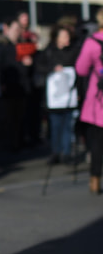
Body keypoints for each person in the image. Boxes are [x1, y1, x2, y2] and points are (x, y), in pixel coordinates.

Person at [35, 23, 80, 164]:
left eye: (68, 36)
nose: (67, 39)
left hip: (69, 95)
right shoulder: (49, 51)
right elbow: (39, 66)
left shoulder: (73, 51)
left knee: (67, 125)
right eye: (64, 36)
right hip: (54, 97)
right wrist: (53, 68)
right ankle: (55, 151)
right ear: (56, 38)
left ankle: (66, 153)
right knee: (54, 126)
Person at [0, 15, 33, 155]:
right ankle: (8, 145)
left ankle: (18, 142)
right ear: (7, 29)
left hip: (21, 86)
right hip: (8, 86)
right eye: (15, 29)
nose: (17, 32)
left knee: (20, 116)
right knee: (8, 117)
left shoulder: (22, 44)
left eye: (19, 29)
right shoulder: (1, 44)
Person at [74, 8, 103, 195]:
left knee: (96, 144)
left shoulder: (92, 42)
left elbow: (81, 69)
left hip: (98, 102)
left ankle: (95, 180)